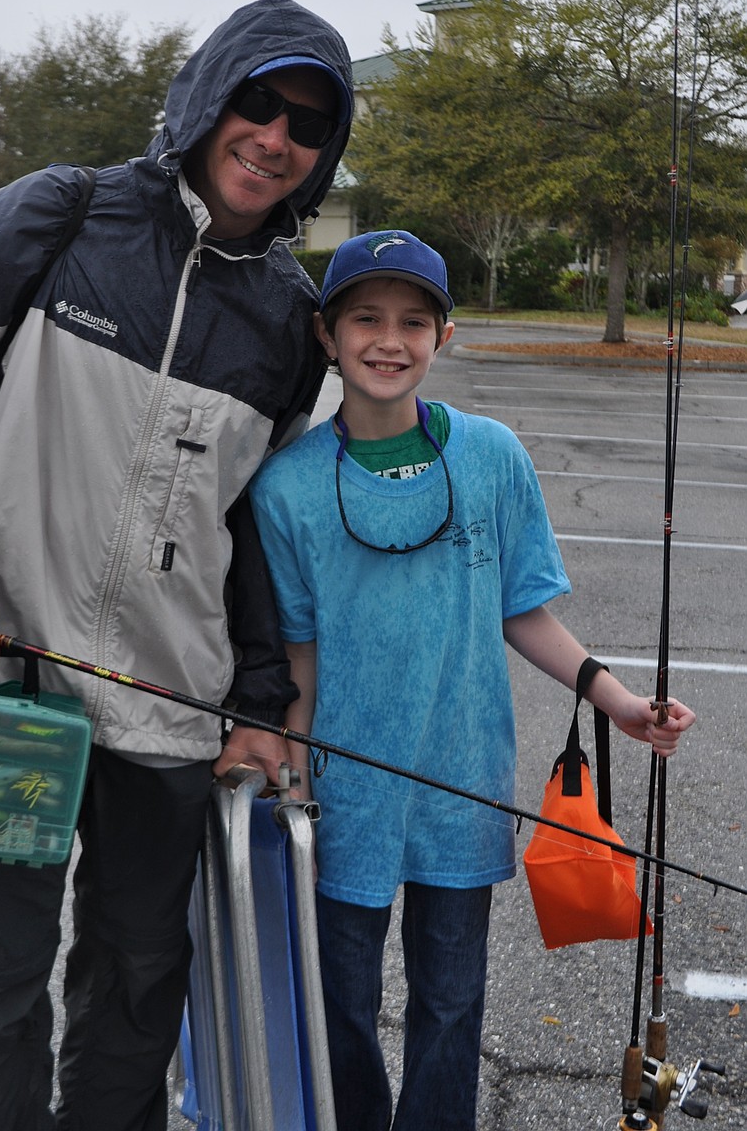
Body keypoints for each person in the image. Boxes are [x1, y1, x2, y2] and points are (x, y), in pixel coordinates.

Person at [0, 0, 353, 1131]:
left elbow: (260, 543)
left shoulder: (292, 328)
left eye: (308, 123)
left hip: (171, 714)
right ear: (210, 95)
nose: (275, 136)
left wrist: (257, 702)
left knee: (140, 984)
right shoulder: (54, 216)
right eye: (259, 100)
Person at [248, 229, 696, 1131]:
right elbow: (298, 652)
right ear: (325, 333)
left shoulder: (492, 457)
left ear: (444, 337)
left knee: (452, 1004)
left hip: (462, 782)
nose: (389, 339)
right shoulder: (286, 487)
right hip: (346, 800)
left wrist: (616, 699)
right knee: (338, 1002)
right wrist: (292, 770)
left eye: (415, 321)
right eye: (365, 318)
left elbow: (522, 609)